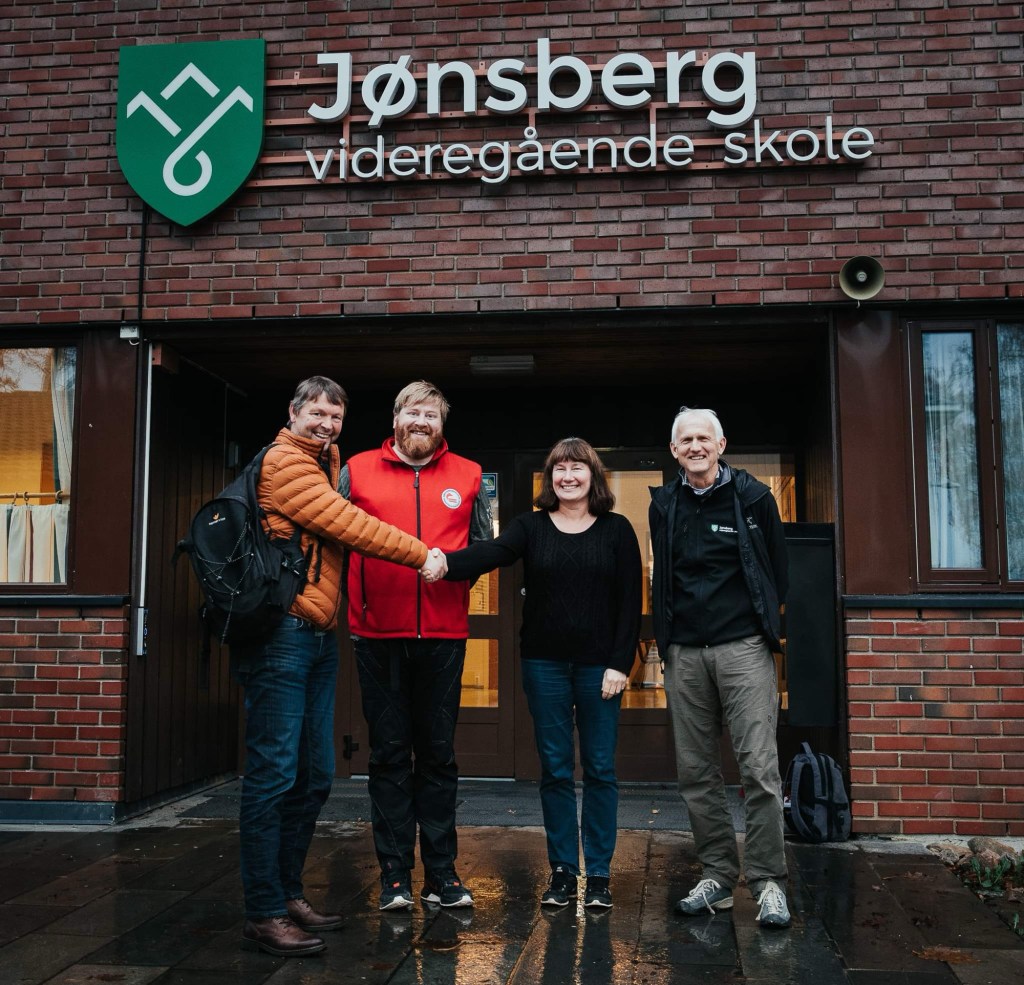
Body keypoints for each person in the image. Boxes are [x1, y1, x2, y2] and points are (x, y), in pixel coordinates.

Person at [236, 376, 446, 958]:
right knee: (274, 775)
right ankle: (263, 912)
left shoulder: (321, 462)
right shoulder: (286, 463)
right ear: (293, 411)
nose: (327, 424)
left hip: (316, 633)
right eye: (317, 413)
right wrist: (422, 554)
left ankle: (286, 893)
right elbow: (347, 524)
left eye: (336, 417)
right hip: (282, 634)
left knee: (314, 774)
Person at [443, 437, 641, 910]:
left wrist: (620, 663)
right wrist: (440, 561)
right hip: (544, 664)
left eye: (577, 468)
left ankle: (598, 874)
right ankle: (562, 871)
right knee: (554, 769)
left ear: (593, 475)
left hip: (599, 668)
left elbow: (630, 602)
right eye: (559, 469)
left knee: (600, 769)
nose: (568, 476)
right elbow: (491, 553)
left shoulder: (617, 530)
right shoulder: (529, 526)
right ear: (550, 477)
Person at [339, 381, 492, 911]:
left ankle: (442, 874)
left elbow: (480, 547)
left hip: (445, 637)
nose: (421, 422)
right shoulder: (355, 469)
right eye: (413, 412)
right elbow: (335, 544)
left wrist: (453, 585)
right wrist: (358, 599)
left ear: (442, 424)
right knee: (387, 755)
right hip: (376, 635)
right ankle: (394, 876)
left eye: (431, 414)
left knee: (438, 756)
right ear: (396, 418)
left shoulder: (469, 475)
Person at [649, 407, 791, 929]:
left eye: (703, 438)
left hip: (743, 649)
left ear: (721, 444)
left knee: (758, 768)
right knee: (696, 772)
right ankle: (717, 876)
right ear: (674, 451)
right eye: (685, 440)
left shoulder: (753, 498)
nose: (695, 446)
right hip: (685, 653)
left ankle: (768, 882)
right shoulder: (664, 504)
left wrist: (757, 626)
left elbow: (778, 572)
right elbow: (664, 576)